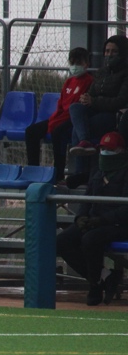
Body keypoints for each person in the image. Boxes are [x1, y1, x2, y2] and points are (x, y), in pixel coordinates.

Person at [56, 131, 128, 305]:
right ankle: (106, 276)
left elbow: (125, 209)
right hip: (94, 220)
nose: (104, 152)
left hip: (118, 224)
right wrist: (80, 217)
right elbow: (87, 199)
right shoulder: (97, 169)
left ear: (120, 150)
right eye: (102, 148)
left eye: (109, 149)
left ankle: (95, 286)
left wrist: (102, 220)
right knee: (62, 241)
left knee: (90, 240)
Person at [25, 47, 93, 182]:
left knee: (58, 132)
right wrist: (57, 116)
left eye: (78, 63)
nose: (74, 67)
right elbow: (62, 103)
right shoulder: (69, 81)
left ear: (86, 64)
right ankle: (34, 169)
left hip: (73, 118)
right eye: (72, 63)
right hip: (60, 115)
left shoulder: (90, 81)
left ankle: (58, 173)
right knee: (31, 131)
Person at [67, 35, 128, 163]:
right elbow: (92, 93)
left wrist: (93, 101)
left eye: (114, 51)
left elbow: (121, 100)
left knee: (77, 129)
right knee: (75, 107)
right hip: (96, 109)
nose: (109, 55)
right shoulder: (101, 72)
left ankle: (81, 173)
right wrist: (86, 98)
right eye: (107, 51)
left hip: (113, 114)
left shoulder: (125, 73)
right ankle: (85, 142)